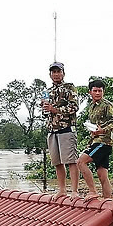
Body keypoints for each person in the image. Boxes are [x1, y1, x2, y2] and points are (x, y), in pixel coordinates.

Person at [42, 62, 80, 199]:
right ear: (50, 74)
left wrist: (55, 109)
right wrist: (45, 108)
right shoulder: (47, 91)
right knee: (57, 162)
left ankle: (75, 191)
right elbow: (44, 112)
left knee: (71, 161)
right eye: (53, 72)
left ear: (63, 73)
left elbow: (74, 107)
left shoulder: (70, 88)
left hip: (66, 128)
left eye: (58, 71)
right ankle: (62, 189)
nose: (56, 74)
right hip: (52, 129)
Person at [77, 79, 113, 201]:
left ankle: (93, 191)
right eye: (95, 90)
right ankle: (107, 201)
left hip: (104, 142)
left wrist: (102, 130)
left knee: (81, 162)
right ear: (90, 92)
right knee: (102, 174)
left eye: (100, 91)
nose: (98, 93)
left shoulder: (107, 105)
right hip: (96, 141)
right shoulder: (91, 107)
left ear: (103, 92)